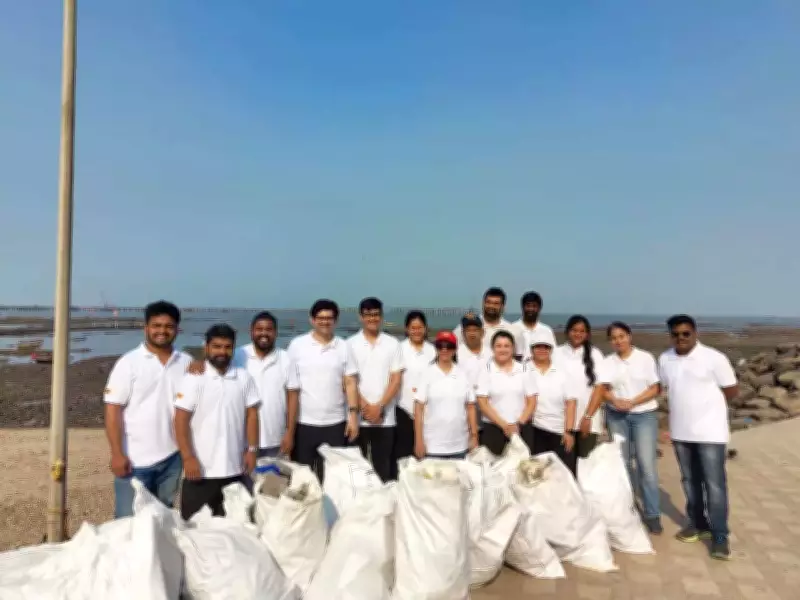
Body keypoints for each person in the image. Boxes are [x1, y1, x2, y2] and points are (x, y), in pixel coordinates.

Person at [659, 314, 738, 560]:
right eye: (675, 334)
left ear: (695, 333)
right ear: (670, 335)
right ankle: (698, 524)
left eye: (685, 333)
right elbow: (666, 389)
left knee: (714, 485)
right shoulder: (665, 359)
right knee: (689, 481)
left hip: (710, 434)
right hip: (681, 433)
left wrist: (707, 412)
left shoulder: (715, 358)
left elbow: (731, 391)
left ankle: (720, 536)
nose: (680, 338)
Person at [103, 301, 191, 518]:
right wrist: (116, 453)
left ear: (177, 329)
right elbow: (113, 410)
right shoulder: (129, 363)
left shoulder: (186, 362)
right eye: (156, 325)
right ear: (146, 328)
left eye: (168, 326)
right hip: (135, 461)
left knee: (163, 519)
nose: (162, 331)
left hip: (172, 459)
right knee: (127, 523)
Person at [174, 324, 260, 520]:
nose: (222, 352)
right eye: (217, 346)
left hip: (235, 469)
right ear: (206, 347)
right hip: (201, 471)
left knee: (234, 527)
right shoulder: (193, 379)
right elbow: (180, 419)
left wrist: (252, 450)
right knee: (195, 528)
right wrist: (188, 458)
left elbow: (252, 415)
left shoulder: (244, 377)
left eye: (228, 347)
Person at [188, 311, 293, 459]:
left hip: (275, 437)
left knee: (274, 481)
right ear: (251, 331)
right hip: (242, 439)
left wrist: (290, 432)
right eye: (259, 329)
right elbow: (216, 359)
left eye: (269, 329)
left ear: (275, 332)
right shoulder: (238, 354)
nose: (264, 333)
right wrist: (199, 361)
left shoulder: (286, 358)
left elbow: (292, 397)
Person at [287, 299, 360, 482]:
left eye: (329, 318)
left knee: (334, 478)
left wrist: (353, 417)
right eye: (320, 318)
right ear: (312, 320)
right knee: (303, 478)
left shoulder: (343, 346)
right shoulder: (297, 345)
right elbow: (289, 385)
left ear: (335, 320)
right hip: (304, 423)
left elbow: (350, 382)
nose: (325, 322)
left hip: (335, 423)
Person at [600, 321, 663, 534]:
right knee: (622, 463)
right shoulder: (608, 362)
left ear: (630, 336)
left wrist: (633, 402)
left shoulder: (645, 358)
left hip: (643, 415)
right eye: (614, 338)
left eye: (622, 336)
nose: (618, 341)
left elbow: (655, 388)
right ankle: (628, 509)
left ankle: (653, 513)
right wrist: (615, 400)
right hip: (617, 416)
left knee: (646, 465)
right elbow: (603, 388)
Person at [347, 297, 403, 482]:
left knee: (383, 467)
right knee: (358, 469)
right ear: (361, 317)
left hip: (385, 418)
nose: (373, 318)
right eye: (368, 314)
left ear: (381, 316)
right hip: (359, 419)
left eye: (376, 314)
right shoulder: (350, 344)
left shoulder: (392, 343)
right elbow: (348, 380)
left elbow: (396, 379)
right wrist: (365, 407)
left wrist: (380, 407)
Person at [414, 331, 479, 460]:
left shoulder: (463, 374)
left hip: (460, 445)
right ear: (436, 348)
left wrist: (474, 436)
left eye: (449, 346)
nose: (444, 349)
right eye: (440, 346)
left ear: (455, 349)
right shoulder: (427, 373)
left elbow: (470, 407)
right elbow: (418, 408)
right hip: (432, 446)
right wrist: (419, 441)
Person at [475, 330, 537, 456]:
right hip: (494, 428)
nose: (502, 349)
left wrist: (519, 424)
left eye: (506, 346)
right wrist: (504, 425)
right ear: (493, 348)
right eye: (499, 346)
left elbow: (532, 400)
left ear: (513, 348)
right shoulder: (486, 370)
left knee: (521, 467)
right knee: (495, 468)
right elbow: (483, 403)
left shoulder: (524, 369)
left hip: (521, 428)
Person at [555, 315, 607, 461]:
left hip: (587, 419)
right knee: (563, 464)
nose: (577, 334)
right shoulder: (557, 353)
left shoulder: (595, 354)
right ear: (567, 332)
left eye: (582, 331)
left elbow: (599, 388)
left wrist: (588, 417)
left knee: (585, 464)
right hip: (562, 421)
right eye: (574, 330)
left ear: (587, 334)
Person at [527, 330, 579, 475]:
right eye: (538, 346)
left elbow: (571, 403)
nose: (542, 350)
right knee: (538, 475)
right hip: (534, 431)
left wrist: (569, 431)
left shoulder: (562, 373)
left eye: (546, 347)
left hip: (559, 430)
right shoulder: (524, 370)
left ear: (551, 349)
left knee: (564, 475)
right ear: (531, 349)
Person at [393, 310, 436, 476]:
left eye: (420, 327)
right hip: (403, 410)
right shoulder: (399, 349)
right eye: (413, 328)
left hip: (428, 412)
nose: (416, 331)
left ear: (425, 329)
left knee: (425, 459)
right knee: (404, 459)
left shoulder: (433, 351)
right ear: (406, 329)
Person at [453, 287, 514, 352]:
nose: (491, 306)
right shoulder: (467, 326)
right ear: (483, 303)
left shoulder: (511, 330)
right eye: (488, 302)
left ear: (503, 306)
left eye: (496, 303)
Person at [510, 291, 556, 360]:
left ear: (539, 308)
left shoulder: (546, 330)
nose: (531, 309)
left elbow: (554, 355)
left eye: (534, 306)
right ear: (522, 307)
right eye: (528, 305)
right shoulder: (512, 328)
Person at [457, 312, 490, 390]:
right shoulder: (455, 355)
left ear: (482, 332)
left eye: (475, 330)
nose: (472, 333)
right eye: (468, 330)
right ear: (463, 333)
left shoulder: (491, 354)